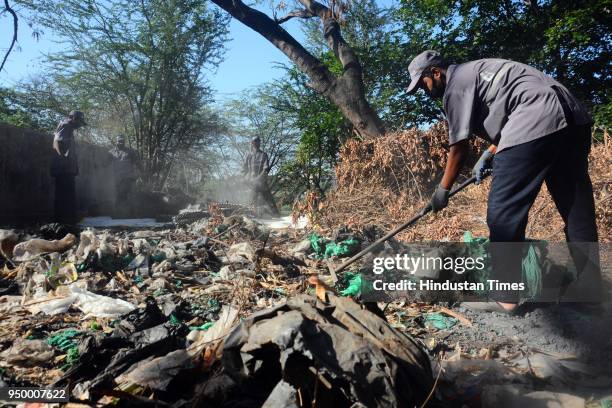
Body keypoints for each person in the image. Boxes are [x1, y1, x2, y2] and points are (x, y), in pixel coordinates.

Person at [406, 50, 599, 312]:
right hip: (571, 116)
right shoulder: (481, 70)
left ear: (436, 73)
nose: (424, 91)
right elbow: (517, 103)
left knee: (503, 214)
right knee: (576, 210)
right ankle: (590, 291)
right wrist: (491, 152)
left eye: (423, 84)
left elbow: (458, 148)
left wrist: (442, 190)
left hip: (534, 120)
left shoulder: (456, 84)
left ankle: (505, 298)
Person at [51, 110, 86, 224]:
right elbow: (59, 144)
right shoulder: (66, 125)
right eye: (79, 122)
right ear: (73, 118)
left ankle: (65, 220)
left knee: (66, 195)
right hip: (64, 170)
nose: (80, 125)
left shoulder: (68, 127)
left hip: (65, 169)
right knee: (65, 196)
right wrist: (67, 163)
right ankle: (64, 221)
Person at [243, 137, 279, 217]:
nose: (257, 143)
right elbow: (244, 169)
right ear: (252, 143)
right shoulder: (248, 155)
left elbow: (266, 168)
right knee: (250, 200)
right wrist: (246, 178)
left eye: (259, 142)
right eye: (255, 142)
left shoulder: (264, 155)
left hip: (261, 182)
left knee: (268, 199)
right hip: (251, 182)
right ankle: (250, 215)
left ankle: (276, 215)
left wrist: (258, 178)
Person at [108, 135, 140, 217]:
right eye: (119, 141)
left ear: (124, 142)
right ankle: (118, 214)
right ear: (116, 141)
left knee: (130, 196)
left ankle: (133, 215)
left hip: (129, 178)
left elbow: (137, 163)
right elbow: (105, 164)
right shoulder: (111, 152)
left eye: (122, 141)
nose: (120, 143)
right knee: (119, 196)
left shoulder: (130, 152)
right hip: (117, 178)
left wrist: (137, 175)